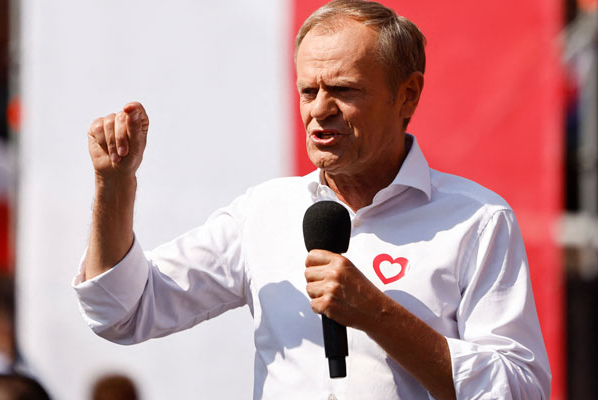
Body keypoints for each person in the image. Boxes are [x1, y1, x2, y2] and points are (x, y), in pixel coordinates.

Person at [73, 0, 551, 399]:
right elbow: (124, 311)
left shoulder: (478, 220)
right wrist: (114, 187)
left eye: (343, 90)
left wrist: (379, 315)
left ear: (408, 95)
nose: (319, 110)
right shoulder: (263, 212)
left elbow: (520, 389)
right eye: (308, 90)